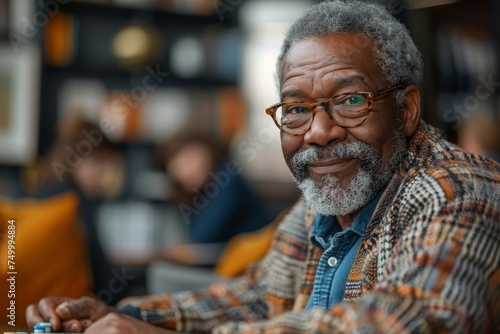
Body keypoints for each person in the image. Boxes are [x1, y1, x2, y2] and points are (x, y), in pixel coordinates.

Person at [26, 1, 500, 333]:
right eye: (296, 108)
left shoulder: (455, 187)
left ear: (407, 109)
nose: (318, 132)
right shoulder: (322, 203)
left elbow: (416, 320)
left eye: (351, 99)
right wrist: (120, 316)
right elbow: (255, 296)